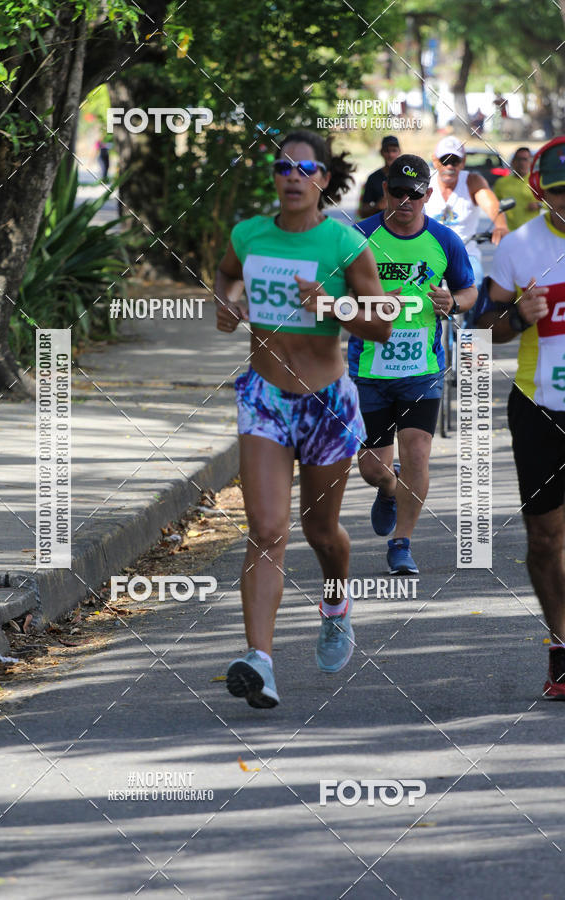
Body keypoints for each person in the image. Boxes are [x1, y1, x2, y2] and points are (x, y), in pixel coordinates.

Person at [215, 130, 392, 709]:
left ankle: (337, 602)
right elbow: (226, 273)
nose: (291, 177)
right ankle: (259, 661)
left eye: (304, 168)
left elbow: (380, 325)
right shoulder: (249, 233)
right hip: (264, 396)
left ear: (322, 179)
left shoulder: (345, 245)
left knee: (321, 533)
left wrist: (333, 305)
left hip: (326, 404)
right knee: (267, 530)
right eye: (282, 167)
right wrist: (227, 303)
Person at [350, 154, 477, 575]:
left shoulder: (445, 240)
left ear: (427, 194)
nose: (406, 200)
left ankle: (402, 543)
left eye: (415, 193)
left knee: (418, 453)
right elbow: (331, 296)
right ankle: (389, 488)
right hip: (370, 370)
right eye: (397, 191)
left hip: (422, 370)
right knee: (373, 468)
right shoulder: (359, 237)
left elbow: (469, 291)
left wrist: (453, 303)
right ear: (385, 191)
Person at [479, 137, 565, 698]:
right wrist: (516, 315)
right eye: (561, 193)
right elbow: (484, 329)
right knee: (544, 539)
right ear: (542, 192)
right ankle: (562, 650)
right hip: (539, 408)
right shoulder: (521, 247)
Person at [425, 135, 509, 289]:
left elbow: (491, 204)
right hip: (430, 254)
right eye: (445, 160)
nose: (449, 166)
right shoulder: (425, 183)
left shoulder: (472, 181)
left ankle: (472, 313)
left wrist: (500, 225)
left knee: (475, 282)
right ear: (435, 161)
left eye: (455, 161)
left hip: (466, 254)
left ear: (463, 163)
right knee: (420, 287)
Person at [494, 147, 543, 231]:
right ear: (513, 162)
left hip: (532, 231)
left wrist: (539, 205)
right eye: (518, 159)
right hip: (509, 232)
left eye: (525, 159)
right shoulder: (501, 182)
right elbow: (494, 206)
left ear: (531, 162)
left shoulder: (538, 181)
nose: (521, 163)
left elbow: (553, 202)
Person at [357, 135, 401, 219]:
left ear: (399, 152)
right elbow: (362, 212)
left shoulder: (407, 176)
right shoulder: (373, 178)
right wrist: (377, 206)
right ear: (381, 152)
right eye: (387, 151)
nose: (390, 154)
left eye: (394, 151)